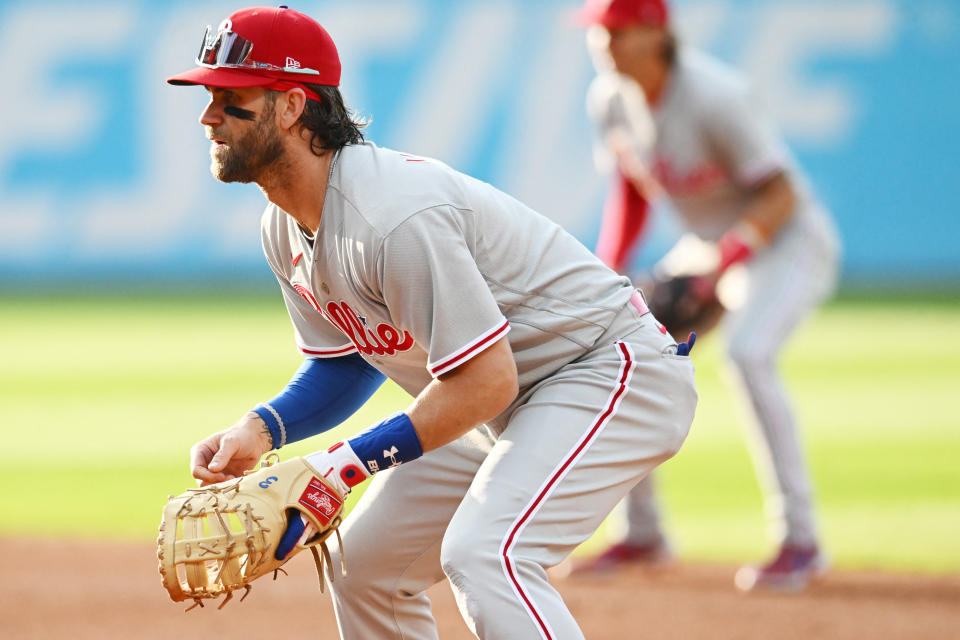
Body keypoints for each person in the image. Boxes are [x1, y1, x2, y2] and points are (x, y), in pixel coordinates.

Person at [167, 6, 697, 638]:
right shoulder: (283, 225)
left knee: (487, 553)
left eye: (231, 99)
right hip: (513, 398)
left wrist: (343, 464)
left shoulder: (392, 216)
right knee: (363, 565)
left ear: (291, 107)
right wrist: (263, 427)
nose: (208, 118)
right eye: (209, 99)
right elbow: (347, 359)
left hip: (604, 369)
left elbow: (484, 381)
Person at [569, 0, 841, 593]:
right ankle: (643, 533)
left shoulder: (714, 95)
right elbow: (632, 192)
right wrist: (608, 272)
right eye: (597, 30)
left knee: (748, 355)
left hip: (785, 241)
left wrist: (726, 265)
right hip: (707, 244)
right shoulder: (609, 99)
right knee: (618, 350)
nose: (601, 41)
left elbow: (780, 195)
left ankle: (801, 540)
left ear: (654, 33)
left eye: (615, 29)